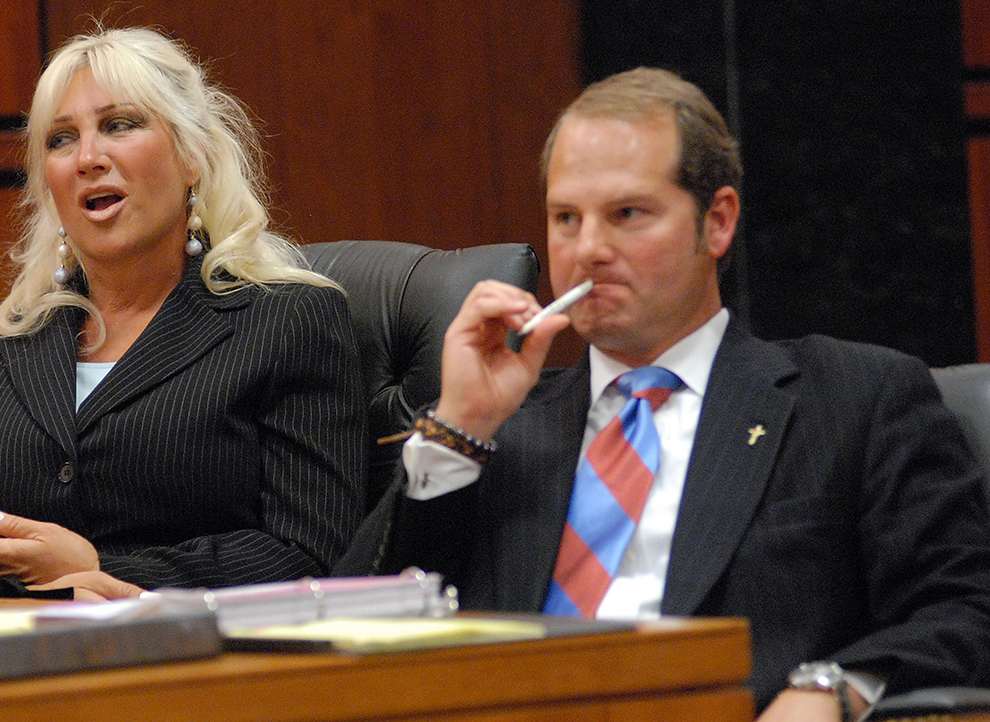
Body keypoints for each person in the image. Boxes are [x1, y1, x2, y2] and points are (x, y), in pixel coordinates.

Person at [337, 67, 990, 720]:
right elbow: (344, 636)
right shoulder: (498, 429)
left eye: (626, 215)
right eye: (566, 217)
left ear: (718, 222)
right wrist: (457, 427)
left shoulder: (854, 400)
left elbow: (963, 610)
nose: (588, 249)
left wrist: (832, 687)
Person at [0, 26, 367, 601]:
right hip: (9, 672)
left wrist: (105, 571)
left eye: (120, 125)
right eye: (61, 139)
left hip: (196, 670)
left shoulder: (290, 322)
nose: (89, 158)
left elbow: (312, 551)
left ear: (192, 155)